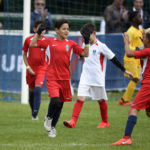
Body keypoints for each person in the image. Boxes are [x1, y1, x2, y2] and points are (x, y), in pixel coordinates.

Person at [63, 23, 133, 129]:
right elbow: (83, 57)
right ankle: (73, 121)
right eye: (84, 36)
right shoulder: (84, 45)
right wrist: (80, 57)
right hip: (85, 76)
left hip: (97, 78)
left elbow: (113, 58)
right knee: (80, 98)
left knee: (101, 100)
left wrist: (125, 70)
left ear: (94, 33)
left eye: (87, 35)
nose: (85, 38)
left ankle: (105, 122)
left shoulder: (102, 46)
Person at [30, 19, 90, 138]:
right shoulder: (49, 41)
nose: (66, 31)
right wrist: (39, 33)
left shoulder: (71, 44)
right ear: (57, 30)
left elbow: (85, 54)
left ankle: (52, 128)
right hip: (52, 77)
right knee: (55, 101)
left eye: (67, 29)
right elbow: (32, 44)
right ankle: (48, 117)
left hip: (65, 79)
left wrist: (87, 41)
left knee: (60, 105)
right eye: (63, 28)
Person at [112, 29, 150, 146]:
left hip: (148, 86)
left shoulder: (148, 50)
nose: (141, 38)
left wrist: (126, 42)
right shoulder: (146, 49)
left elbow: (129, 53)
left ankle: (126, 138)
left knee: (133, 109)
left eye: (143, 36)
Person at [22, 20, 47, 120]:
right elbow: (24, 54)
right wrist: (28, 67)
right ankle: (33, 112)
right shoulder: (28, 40)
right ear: (35, 29)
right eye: (40, 28)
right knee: (31, 93)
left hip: (42, 68)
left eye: (43, 29)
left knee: (37, 89)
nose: (42, 31)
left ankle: (35, 114)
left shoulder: (47, 41)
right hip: (30, 69)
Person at [119, 11, 143, 106]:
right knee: (135, 78)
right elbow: (128, 46)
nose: (141, 18)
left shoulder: (141, 30)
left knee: (137, 79)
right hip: (130, 58)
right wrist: (138, 49)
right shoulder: (130, 31)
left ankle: (124, 99)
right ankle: (124, 100)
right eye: (138, 17)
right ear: (133, 19)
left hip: (138, 58)